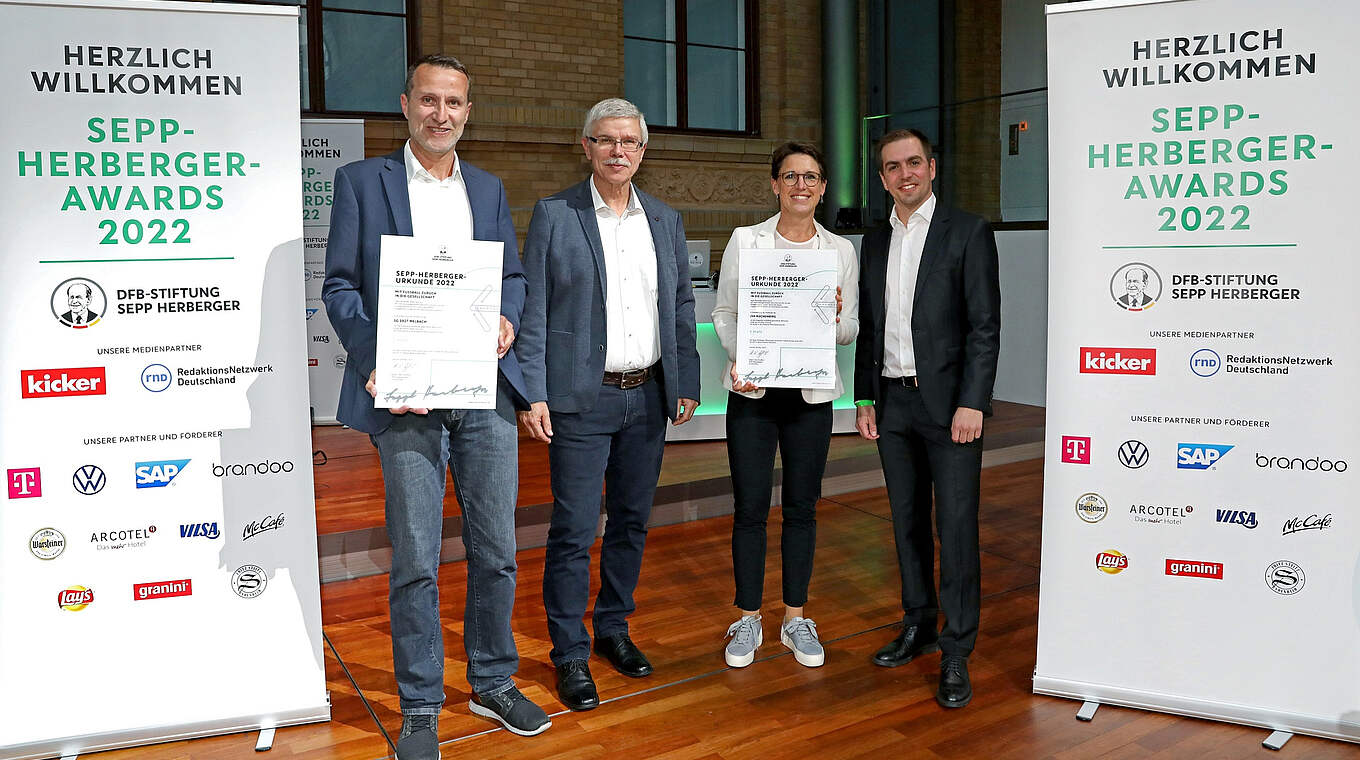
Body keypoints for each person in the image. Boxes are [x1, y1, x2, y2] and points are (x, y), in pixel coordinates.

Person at [321, 54, 550, 759]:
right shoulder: (363, 182)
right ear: (406, 105)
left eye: (453, 102)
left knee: (498, 550)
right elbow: (339, 286)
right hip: (406, 398)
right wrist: (377, 362)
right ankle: (420, 704)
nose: (440, 114)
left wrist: (507, 317)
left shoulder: (487, 187)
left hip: (482, 391)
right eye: (428, 100)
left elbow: (511, 277)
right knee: (417, 557)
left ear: (468, 111)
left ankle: (492, 680)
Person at [515, 97, 701, 712]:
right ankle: (569, 650)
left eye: (629, 141)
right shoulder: (555, 214)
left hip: (647, 395)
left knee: (631, 521)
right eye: (606, 140)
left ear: (643, 150)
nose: (618, 151)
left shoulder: (665, 219)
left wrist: (685, 379)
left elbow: (680, 306)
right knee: (573, 528)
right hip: (580, 399)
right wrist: (533, 391)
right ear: (587, 147)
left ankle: (613, 627)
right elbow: (534, 309)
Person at [853, 128, 1000, 709]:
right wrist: (865, 397)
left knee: (956, 528)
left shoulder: (968, 232)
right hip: (892, 404)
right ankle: (918, 625)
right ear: (883, 178)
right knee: (906, 522)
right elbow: (870, 325)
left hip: (950, 408)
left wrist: (973, 401)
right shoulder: (875, 240)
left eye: (914, 162)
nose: (904, 174)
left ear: (932, 168)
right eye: (893, 167)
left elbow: (984, 326)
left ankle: (956, 649)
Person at [710, 141, 858, 669]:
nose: (801, 185)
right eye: (791, 176)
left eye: (811, 177)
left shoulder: (840, 251)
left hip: (810, 398)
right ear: (775, 185)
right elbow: (725, 312)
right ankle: (748, 616)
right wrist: (742, 357)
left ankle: (795, 618)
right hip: (753, 396)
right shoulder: (745, 240)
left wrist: (831, 316)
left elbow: (850, 329)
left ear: (823, 188)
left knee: (802, 508)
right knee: (750, 508)